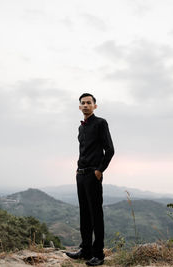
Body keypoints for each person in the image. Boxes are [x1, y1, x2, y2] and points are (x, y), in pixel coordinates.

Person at [66, 93, 114, 266]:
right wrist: (78, 170)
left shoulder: (101, 123)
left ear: (95, 106)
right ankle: (85, 250)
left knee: (96, 215)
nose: (86, 105)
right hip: (81, 174)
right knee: (84, 214)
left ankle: (98, 254)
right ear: (79, 107)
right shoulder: (81, 128)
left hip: (93, 174)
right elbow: (83, 151)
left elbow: (110, 149)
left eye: (89, 103)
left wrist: (100, 170)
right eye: (83, 103)